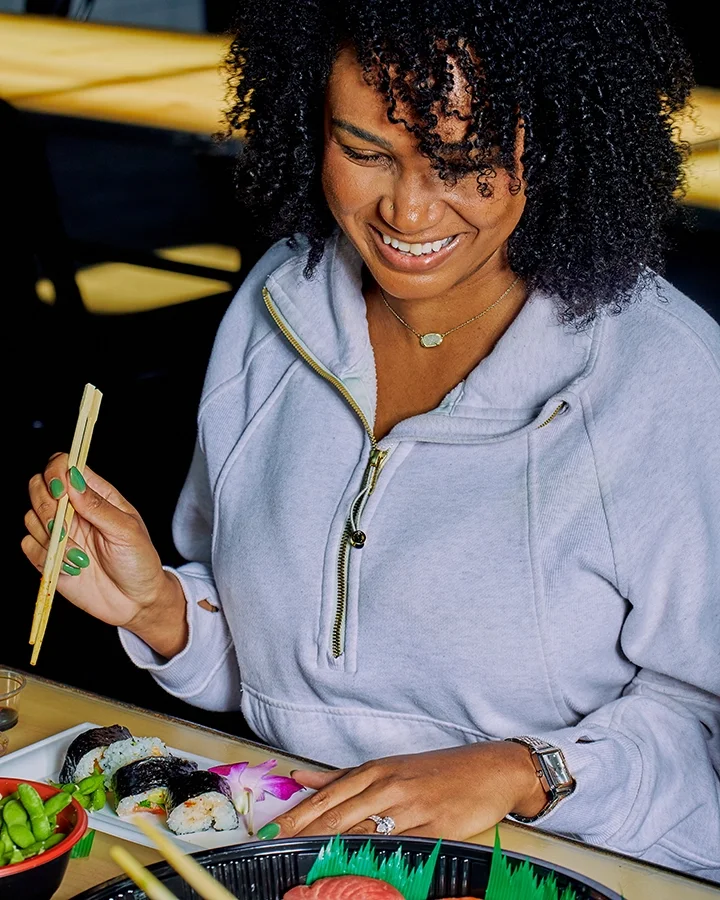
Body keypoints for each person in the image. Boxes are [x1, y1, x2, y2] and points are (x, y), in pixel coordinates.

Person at [23, 0, 719, 880]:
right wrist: (159, 608)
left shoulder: (664, 378)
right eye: (363, 153)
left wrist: (526, 772)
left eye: (464, 166)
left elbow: (708, 728)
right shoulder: (280, 303)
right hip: (292, 849)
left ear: (552, 148)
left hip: (574, 867)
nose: (408, 211)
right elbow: (279, 673)